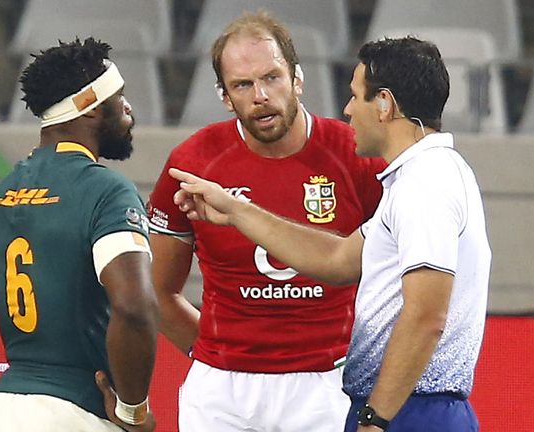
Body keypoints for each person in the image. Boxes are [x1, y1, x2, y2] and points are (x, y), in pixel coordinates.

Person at [168, 36, 492, 432]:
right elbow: (338, 260)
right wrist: (236, 210)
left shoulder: (427, 184)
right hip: (404, 406)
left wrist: (376, 417)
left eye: (356, 96)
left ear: (385, 105)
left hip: (414, 409)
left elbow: (427, 315)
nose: (348, 109)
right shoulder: (415, 179)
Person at [147, 11, 386, 432]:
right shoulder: (193, 163)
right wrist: (212, 356)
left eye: (272, 77)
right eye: (242, 84)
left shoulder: (356, 156)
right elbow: (160, 292)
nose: (260, 95)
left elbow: (397, 280)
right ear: (225, 96)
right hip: (220, 393)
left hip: (328, 383)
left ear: (297, 79)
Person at [0, 38, 158, 432]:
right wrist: (133, 411)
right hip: (79, 412)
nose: (128, 107)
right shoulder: (107, 192)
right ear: (88, 107)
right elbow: (134, 307)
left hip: (7, 413)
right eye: (119, 96)